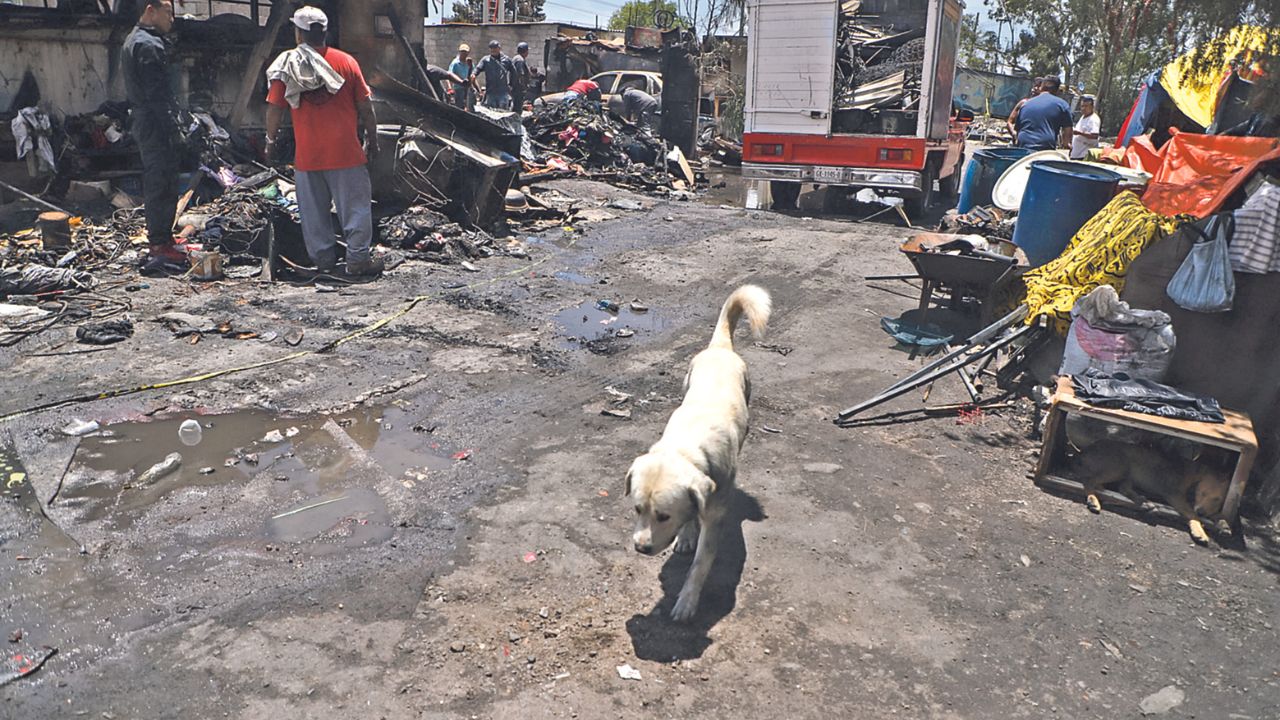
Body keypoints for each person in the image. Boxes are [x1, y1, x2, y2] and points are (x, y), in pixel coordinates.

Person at [263, 6, 383, 277]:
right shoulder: (346, 62)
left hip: (308, 157)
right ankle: (357, 260)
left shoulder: (288, 64)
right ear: (325, 32)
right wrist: (372, 139)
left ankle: (324, 262)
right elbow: (366, 106)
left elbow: (274, 108)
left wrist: (270, 140)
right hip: (346, 155)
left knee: (314, 215)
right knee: (355, 210)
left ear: (298, 33)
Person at [122, 0, 185, 273]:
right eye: (168, 12)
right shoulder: (148, 45)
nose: (172, 18)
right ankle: (160, 244)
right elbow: (157, 94)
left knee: (161, 177)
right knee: (161, 179)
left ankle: (164, 237)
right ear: (151, 11)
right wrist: (174, 128)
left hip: (146, 119)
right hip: (154, 122)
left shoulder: (135, 40)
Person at [1010, 76, 1072, 151]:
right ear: (1057, 90)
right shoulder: (1062, 105)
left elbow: (1018, 128)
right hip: (1044, 149)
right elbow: (1067, 132)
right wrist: (1066, 146)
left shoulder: (1026, 104)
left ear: (1041, 87)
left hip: (1023, 147)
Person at [472, 40, 515, 111]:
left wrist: (511, 85)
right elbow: (477, 69)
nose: (493, 50)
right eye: (491, 48)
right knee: (491, 113)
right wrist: (473, 75)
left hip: (503, 93)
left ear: (499, 48)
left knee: (503, 114)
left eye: (495, 48)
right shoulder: (486, 60)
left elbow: (514, 73)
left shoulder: (506, 60)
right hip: (491, 92)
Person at [1070, 95, 1101, 159]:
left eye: (1086, 106)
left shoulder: (1093, 119)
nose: (1083, 108)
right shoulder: (1083, 117)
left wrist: (1079, 132)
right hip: (1076, 154)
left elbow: (1094, 135)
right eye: (1082, 106)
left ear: (1092, 107)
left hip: (1084, 155)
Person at [448, 43, 473, 110]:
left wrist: (476, 88)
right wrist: (450, 88)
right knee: (459, 106)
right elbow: (448, 76)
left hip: (467, 88)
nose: (464, 54)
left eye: (466, 52)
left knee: (469, 107)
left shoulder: (469, 63)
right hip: (458, 88)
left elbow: (472, 75)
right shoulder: (455, 63)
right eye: (462, 52)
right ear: (460, 52)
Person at [511, 41, 532, 112]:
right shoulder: (519, 60)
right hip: (518, 89)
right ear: (525, 51)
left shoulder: (517, 58)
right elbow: (520, 75)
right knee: (517, 108)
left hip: (516, 88)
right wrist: (523, 87)